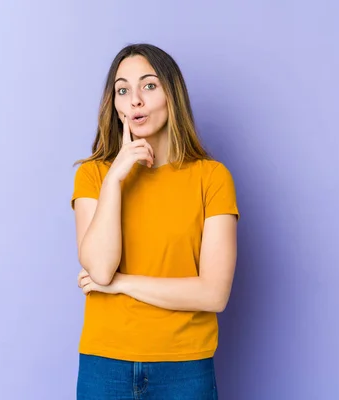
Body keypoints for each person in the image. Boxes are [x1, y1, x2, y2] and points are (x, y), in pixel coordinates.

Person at [70, 43, 239, 399]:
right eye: (123, 90)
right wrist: (115, 177)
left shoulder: (212, 177)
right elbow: (100, 269)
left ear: (171, 94)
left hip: (184, 366)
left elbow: (213, 294)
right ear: (114, 104)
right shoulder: (93, 176)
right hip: (105, 363)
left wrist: (121, 285)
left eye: (148, 85)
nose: (135, 100)